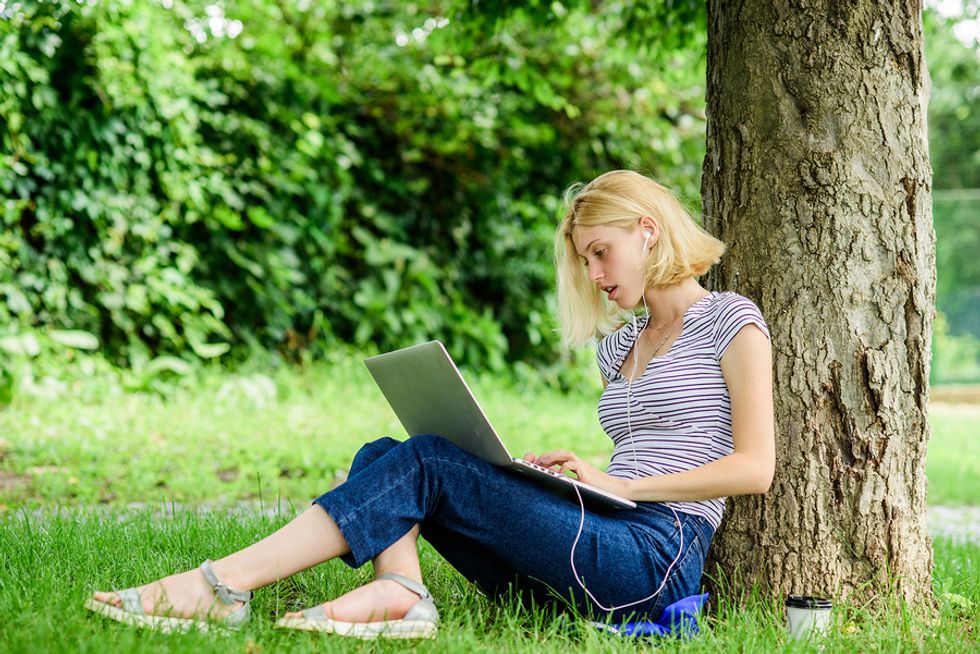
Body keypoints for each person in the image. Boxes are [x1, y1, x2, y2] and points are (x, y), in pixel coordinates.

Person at [85, 169, 775, 639]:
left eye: (601, 253)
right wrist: (572, 480)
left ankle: (221, 587)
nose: (595, 277)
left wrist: (621, 483)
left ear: (647, 230)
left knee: (423, 465)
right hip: (603, 531)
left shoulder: (729, 320)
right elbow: (648, 447)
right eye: (585, 262)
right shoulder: (618, 347)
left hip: (655, 559)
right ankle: (402, 592)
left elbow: (754, 467)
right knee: (385, 456)